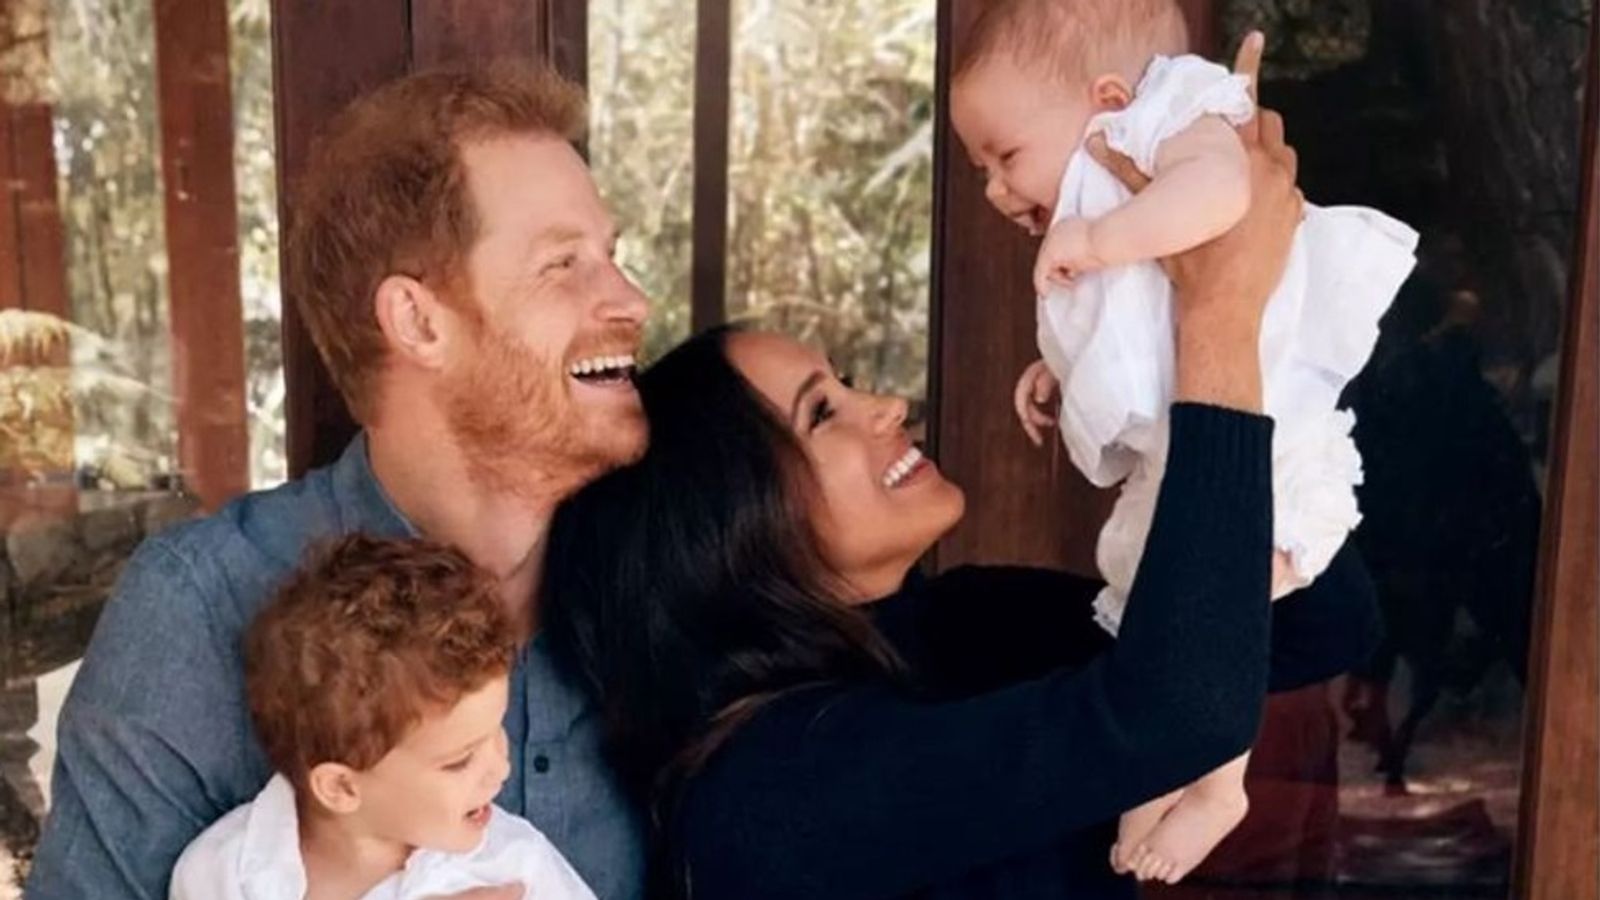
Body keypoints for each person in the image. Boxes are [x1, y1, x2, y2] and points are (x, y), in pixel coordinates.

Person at [541, 36, 1381, 899]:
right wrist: (1217, 317)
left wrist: (1203, 328)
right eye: (823, 412)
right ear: (728, 523)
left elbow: (1319, 625)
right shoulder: (773, 786)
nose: (887, 407)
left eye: (850, 383)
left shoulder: (960, 626)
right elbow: (1178, 713)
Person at [28, 64, 648, 900]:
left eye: (612, 256)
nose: (632, 300)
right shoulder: (200, 611)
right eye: (563, 264)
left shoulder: (657, 580)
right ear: (418, 321)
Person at [949, 0, 1416, 877]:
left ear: (1109, 96)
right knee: (1163, 599)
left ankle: (1217, 781)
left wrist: (1098, 236)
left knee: (1216, 597)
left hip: (1263, 428)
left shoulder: (1179, 116)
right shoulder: (1112, 184)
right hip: (1195, 434)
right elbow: (1138, 321)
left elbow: (1222, 194)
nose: (996, 190)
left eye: (1006, 157)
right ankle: (1168, 768)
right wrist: (1058, 367)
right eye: (981, 168)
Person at [170, 535, 598, 900]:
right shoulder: (225, 872)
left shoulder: (514, 865)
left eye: (496, 731)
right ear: (341, 786)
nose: (501, 768)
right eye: (459, 760)